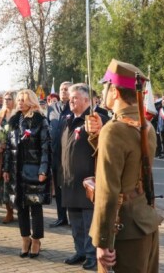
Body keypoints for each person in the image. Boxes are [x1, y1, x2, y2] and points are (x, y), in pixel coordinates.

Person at [89, 59, 161, 273]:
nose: (103, 92)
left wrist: (103, 241)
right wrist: (98, 137)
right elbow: (133, 162)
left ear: (115, 92)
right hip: (144, 220)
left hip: (123, 229)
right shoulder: (145, 125)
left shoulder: (114, 130)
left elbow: (107, 190)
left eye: (106, 87)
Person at [2, 89, 51, 259]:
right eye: (19, 100)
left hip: (34, 169)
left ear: (31, 101)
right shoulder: (14, 120)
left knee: (35, 206)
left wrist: (43, 170)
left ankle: (36, 240)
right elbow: (9, 147)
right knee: (20, 207)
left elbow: (46, 147)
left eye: (23, 100)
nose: (20, 103)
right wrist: (6, 169)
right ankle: (25, 239)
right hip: (16, 170)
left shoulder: (40, 121)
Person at [60, 84, 103, 270]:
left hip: (88, 181)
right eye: (70, 97)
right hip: (70, 181)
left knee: (89, 223)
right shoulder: (68, 119)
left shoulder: (95, 120)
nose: (71, 100)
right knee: (75, 222)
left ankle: (92, 256)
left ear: (87, 100)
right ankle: (80, 251)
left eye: (75, 97)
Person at [46, 81, 72, 228]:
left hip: (69, 155)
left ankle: (73, 216)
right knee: (58, 186)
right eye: (62, 89)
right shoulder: (52, 108)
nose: (63, 91)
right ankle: (61, 217)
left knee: (69, 186)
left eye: (66, 89)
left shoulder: (74, 107)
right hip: (55, 154)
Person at [0, 91, 16, 223]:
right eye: (5, 99)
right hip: (1, 154)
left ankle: (20, 209)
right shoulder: (0, 114)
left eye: (10, 99)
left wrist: (9, 144)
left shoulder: (18, 114)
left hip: (14, 154)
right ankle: (9, 212)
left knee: (14, 183)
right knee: (3, 183)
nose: (7, 101)